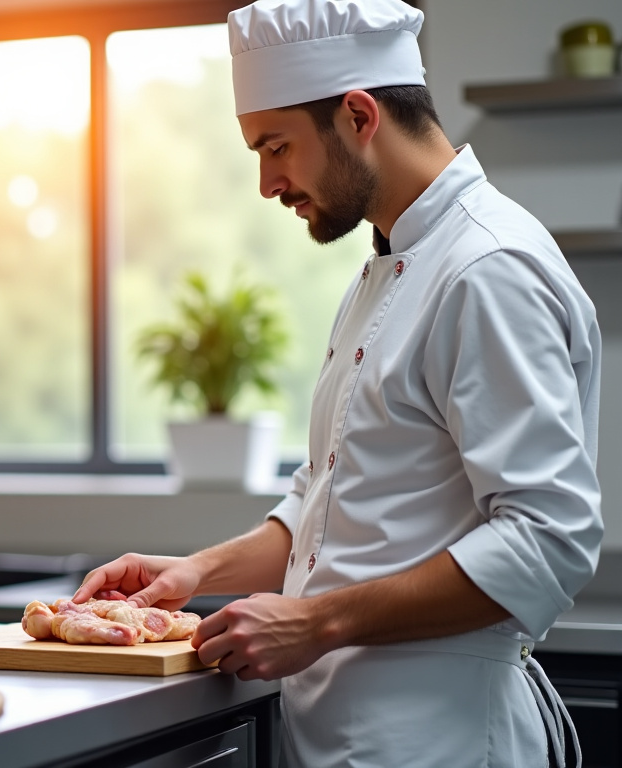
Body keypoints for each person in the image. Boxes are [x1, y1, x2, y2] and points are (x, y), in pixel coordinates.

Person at [73, 1, 602, 766]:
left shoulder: (487, 271)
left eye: (276, 145)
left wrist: (315, 622)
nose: (265, 182)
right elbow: (325, 507)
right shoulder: (384, 272)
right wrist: (195, 572)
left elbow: (547, 542)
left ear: (358, 115)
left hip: (441, 742)